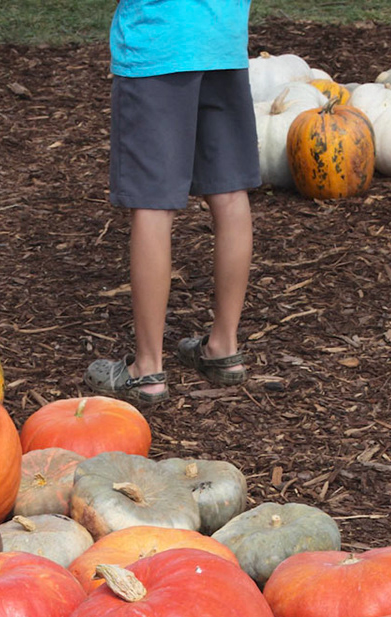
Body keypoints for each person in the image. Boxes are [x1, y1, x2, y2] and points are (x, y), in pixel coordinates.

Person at [85, 0, 256, 408]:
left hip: (159, 40)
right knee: (230, 193)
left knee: (152, 204)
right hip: (224, 39)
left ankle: (147, 369)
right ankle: (224, 347)